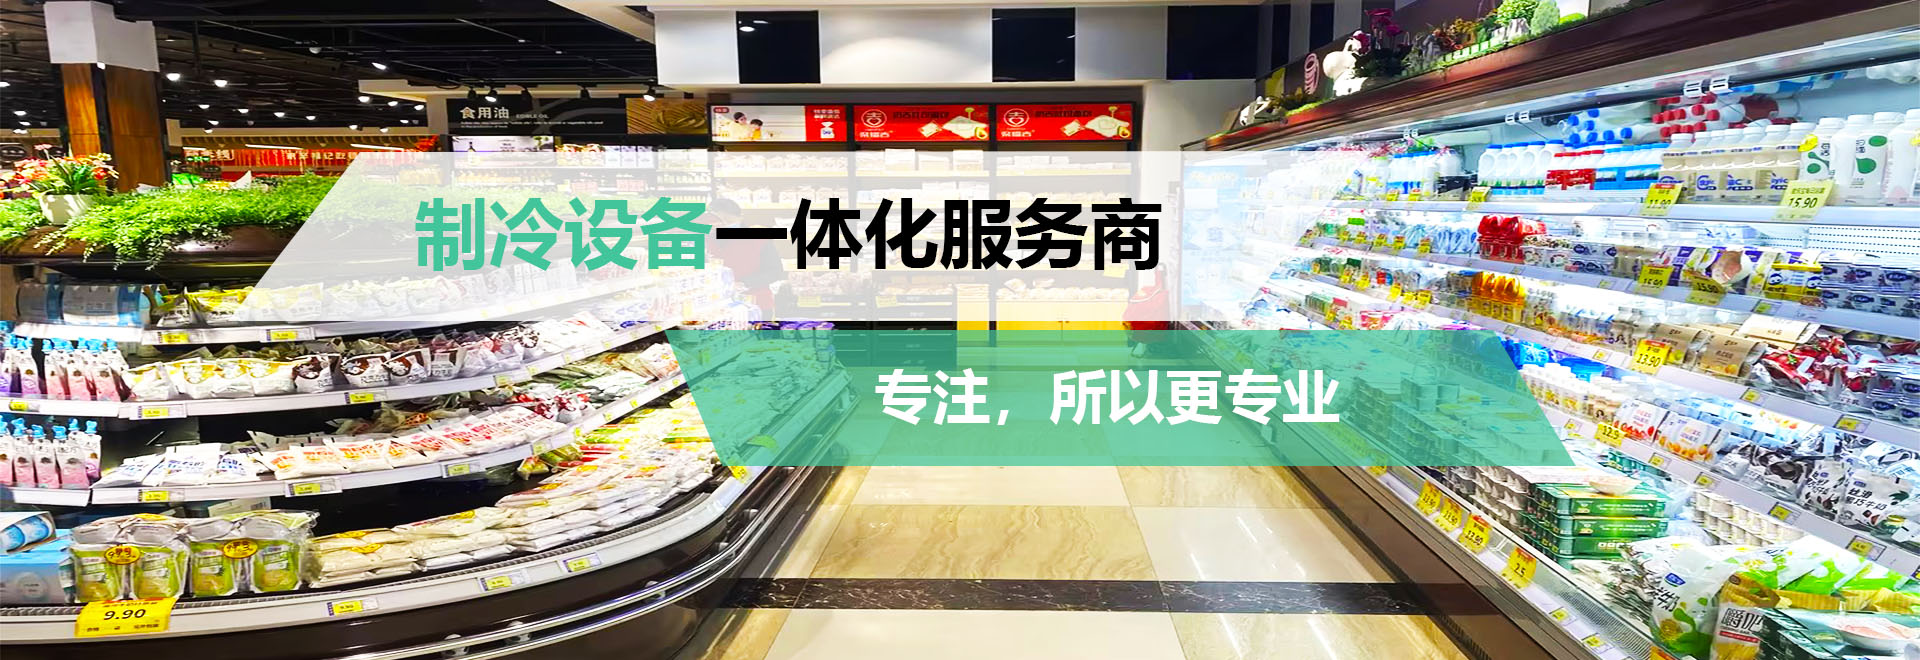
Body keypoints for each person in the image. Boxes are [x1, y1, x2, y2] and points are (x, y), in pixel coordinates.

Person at [704, 198, 783, 315]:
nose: (724, 225)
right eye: (718, 222)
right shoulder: (705, 240)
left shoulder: (760, 239)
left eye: (728, 221)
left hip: (756, 304)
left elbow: (775, 271)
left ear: (740, 217)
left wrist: (744, 283)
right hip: (716, 308)